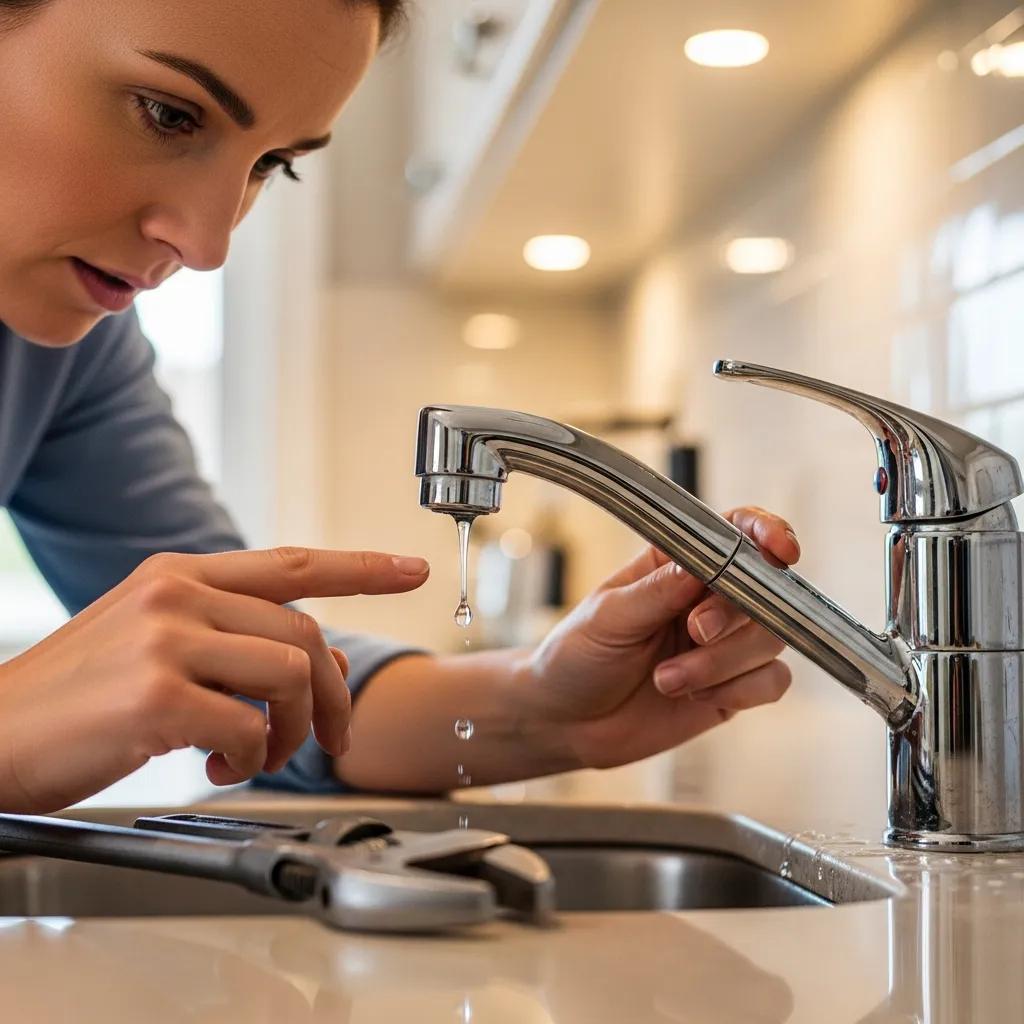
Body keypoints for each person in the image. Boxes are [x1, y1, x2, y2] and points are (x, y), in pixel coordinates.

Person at [0, 0, 798, 814]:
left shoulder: (69, 351)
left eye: (275, 162)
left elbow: (266, 682)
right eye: (168, 114)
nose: (208, 244)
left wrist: (548, 706)